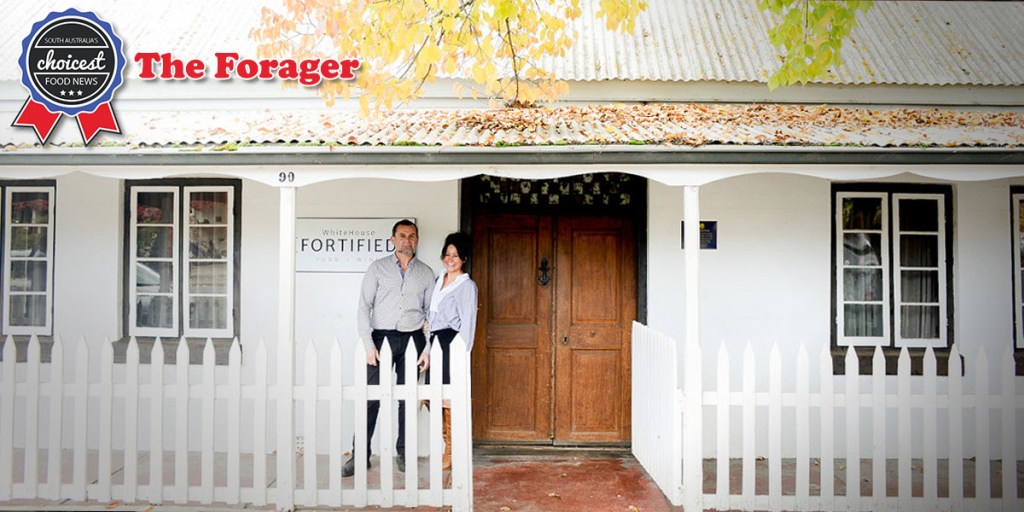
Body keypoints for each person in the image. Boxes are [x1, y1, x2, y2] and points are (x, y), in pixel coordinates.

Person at [343, 219, 434, 477]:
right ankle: (360, 456)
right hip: (380, 339)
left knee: (407, 400)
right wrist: (368, 345)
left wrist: (427, 347)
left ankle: (404, 454)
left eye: (412, 235)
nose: (407, 240)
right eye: (402, 235)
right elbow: (363, 307)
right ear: (392, 239)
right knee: (370, 399)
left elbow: (431, 313)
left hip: (412, 340)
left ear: (417, 240)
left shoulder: (426, 273)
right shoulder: (377, 268)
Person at [425, 232, 478, 471]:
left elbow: (467, 323)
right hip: (434, 343)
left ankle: (452, 450)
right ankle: (447, 442)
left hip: (451, 342)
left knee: (448, 399)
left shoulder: (466, 285)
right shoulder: (439, 280)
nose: (450, 259)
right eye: (447, 254)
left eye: (455, 255)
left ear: (464, 258)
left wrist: (461, 355)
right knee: (431, 397)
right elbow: (431, 317)